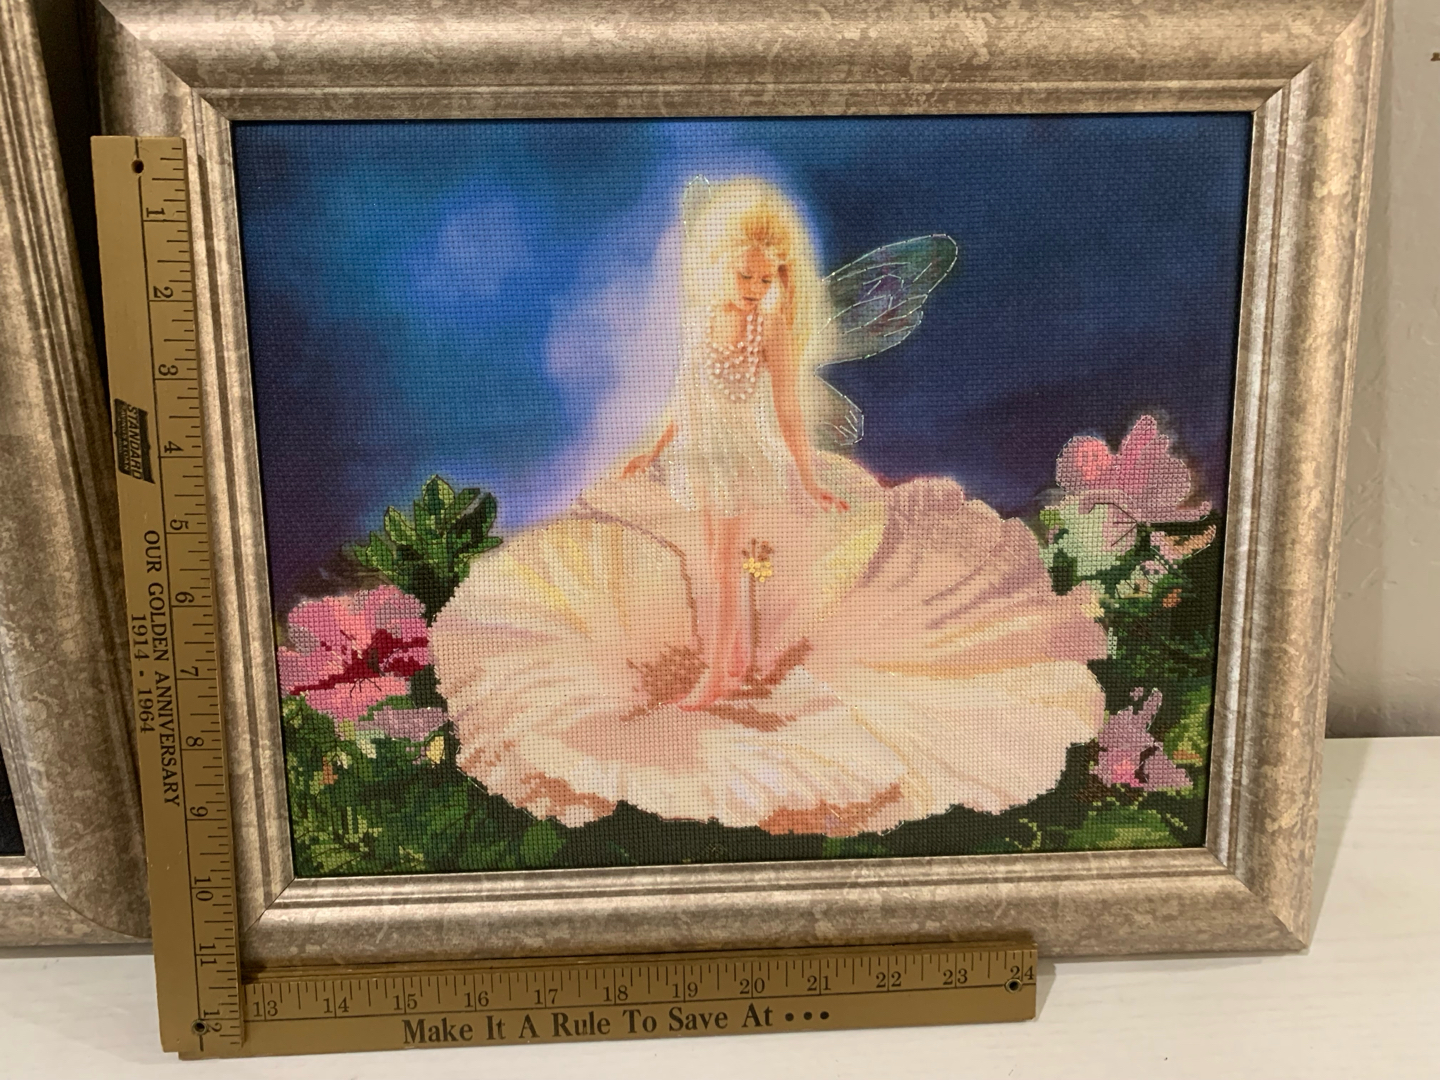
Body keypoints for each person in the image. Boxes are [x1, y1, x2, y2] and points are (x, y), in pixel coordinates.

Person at [620, 177, 849, 708]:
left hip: (737, 455)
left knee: (724, 565)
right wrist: (654, 449)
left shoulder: (769, 329)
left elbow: (788, 408)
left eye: (765, 279)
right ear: (719, 263)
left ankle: (718, 676)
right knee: (714, 558)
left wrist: (808, 477)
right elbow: (687, 397)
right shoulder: (703, 320)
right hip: (701, 451)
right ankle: (738, 656)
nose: (753, 287)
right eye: (745, 274)